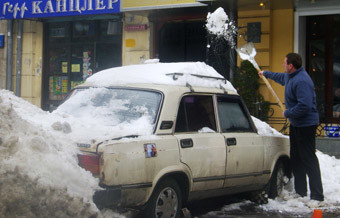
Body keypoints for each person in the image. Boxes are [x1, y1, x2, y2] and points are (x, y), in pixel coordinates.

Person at [258, 53, 324, 203]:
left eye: (284, 63)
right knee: (296, 158)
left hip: (306, 124)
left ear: (291, 66)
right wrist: (266, 74)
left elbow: (305, 106)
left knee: (308, 158)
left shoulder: (302, 81)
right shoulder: (290, 76)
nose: (283, 65)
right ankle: (300, 192)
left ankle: (317, 196)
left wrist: (288, 112)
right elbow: (281, 77)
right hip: (296, 124)